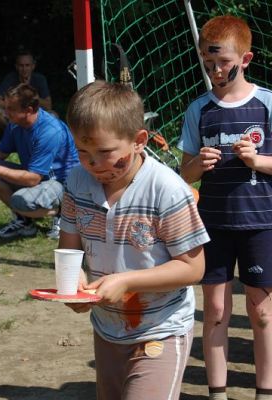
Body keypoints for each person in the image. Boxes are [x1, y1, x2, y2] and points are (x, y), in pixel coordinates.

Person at [61, 80, 209, 400]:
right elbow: (68, 248)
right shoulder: (76, 182)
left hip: (162, 328)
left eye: (105, 152)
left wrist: (127, 281)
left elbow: (193, 268)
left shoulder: (167, 190)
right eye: (82, 152)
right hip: (107, 329)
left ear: (139, 141)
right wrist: (74, 281)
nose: (93, 164)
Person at [178, 15, 272, 400]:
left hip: (261, 223)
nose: (215, 70)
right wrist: (197, 165)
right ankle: (218, 393)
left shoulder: (267, 103)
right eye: (208, 62)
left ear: (245, 59)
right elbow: (183, 173)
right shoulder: (198, 109)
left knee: (261, 312)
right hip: (213, 225)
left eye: (223, 62)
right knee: (215, 310)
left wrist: (257, 161)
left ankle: (264, 392)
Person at [0, 83, 79, 240]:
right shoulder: (15, 124)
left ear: (29, 110)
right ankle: (24, 222)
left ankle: (66, 212)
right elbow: (1, 151)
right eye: (6, 107)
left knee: (21, 200)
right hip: (37, 178)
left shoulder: (49, 131)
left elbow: (33, 179)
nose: (6, 112)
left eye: (11, 108)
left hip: (62, 184)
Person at [0, 50, 52, 130]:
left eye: (27, 65)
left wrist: (29, 96)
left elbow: (48, 105)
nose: (24, 69)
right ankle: (11, 133)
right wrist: (15, 104)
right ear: (16, 66)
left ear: (33, 66)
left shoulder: (40, 79)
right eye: (21, 66)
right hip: (14, 114)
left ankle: (38, 135)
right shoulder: (10, 78)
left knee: (53, 115)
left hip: (33, 114)